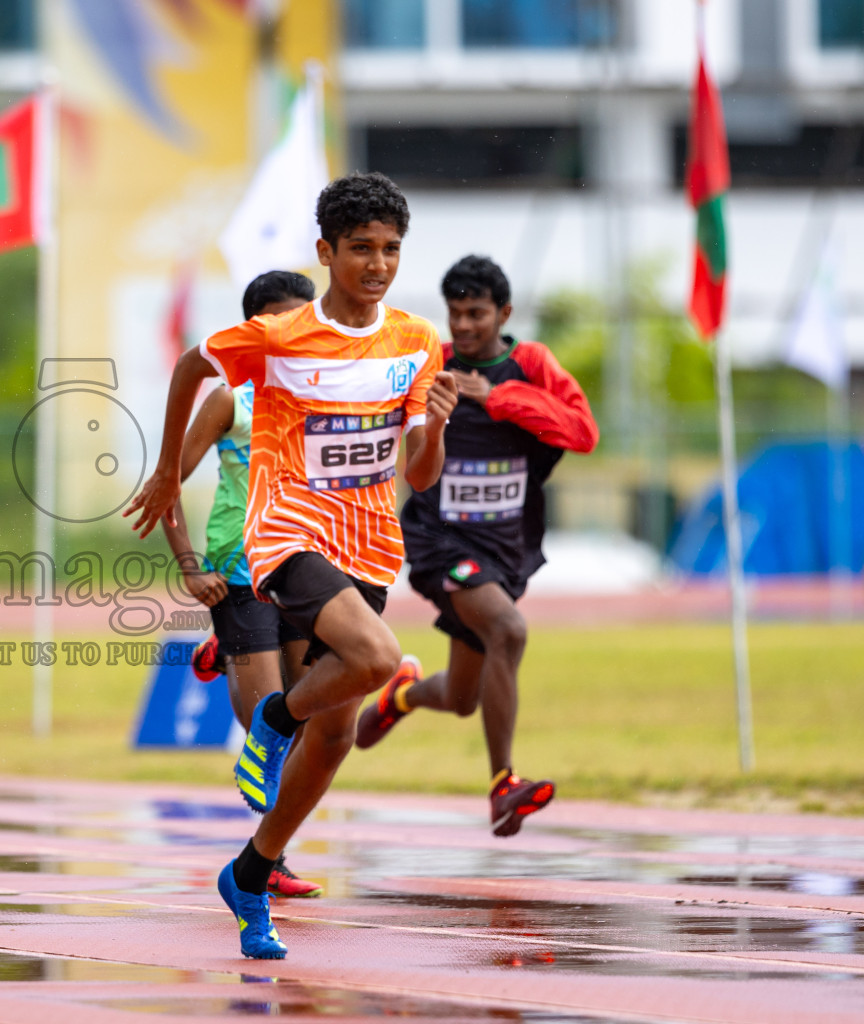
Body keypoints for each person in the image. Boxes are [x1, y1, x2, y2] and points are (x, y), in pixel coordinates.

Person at [127, 172, 458, 959]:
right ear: (326, 252)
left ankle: (251, 872)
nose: (377, 265)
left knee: (338, 735)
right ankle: (273, 722)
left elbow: (418, 476)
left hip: (370, 540)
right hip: (285, 533)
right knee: (377, 659)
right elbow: (189, 367)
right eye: (360, 249)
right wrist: (171, 470)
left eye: (390, 250)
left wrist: (437, 427)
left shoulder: (416, 341)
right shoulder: (278, 336)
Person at [354, 255, 597, 837]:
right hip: (441, 539)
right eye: (455, 314)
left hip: (507, 547)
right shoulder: (430, 363)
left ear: (503, 313)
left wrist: (494, 398)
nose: (463, 326)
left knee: (462, 697)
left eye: (476, 314)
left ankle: (405, 694)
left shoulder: (530, 364)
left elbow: (582, 432)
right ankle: (503, 786)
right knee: (508, 630)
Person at [160, 270, 320, 900]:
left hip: (308, 572)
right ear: (254, 330)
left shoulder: (328, 396)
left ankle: (221, 653)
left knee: (310, 720)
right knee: (267, 727)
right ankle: (267, 859)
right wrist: (189, 565)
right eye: (282, 323)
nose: (297, 335)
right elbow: (166, 482)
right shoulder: (230, 398)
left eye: (306, 322)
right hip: (239, 573)